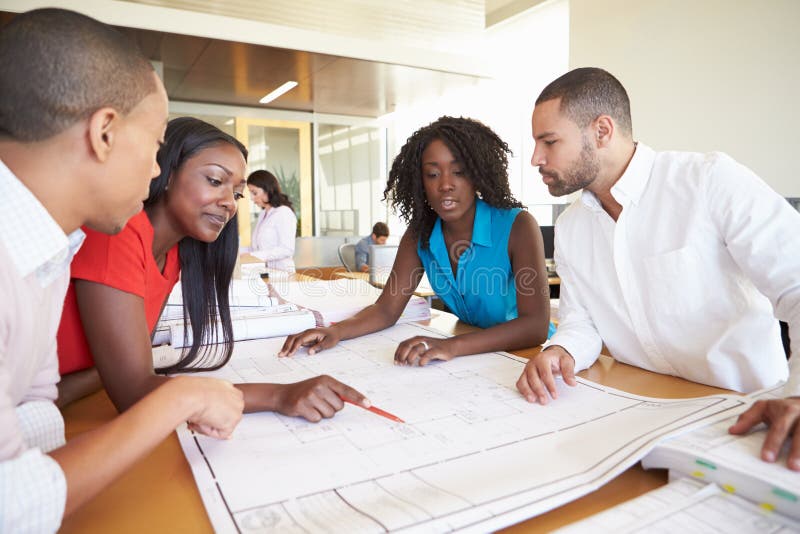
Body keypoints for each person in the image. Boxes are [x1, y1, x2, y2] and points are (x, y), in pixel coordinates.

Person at [0, 9, 244, 531]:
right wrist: (181, 396)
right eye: (156, 146)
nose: (156, 169)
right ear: (104, 133)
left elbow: (37, 413)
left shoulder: (48, 251)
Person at [516, 67, 800, 470]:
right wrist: (560, 349)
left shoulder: (708, 182)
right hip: (643, 418)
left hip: (750, 416)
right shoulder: (571, 226)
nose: (536, 158)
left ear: (601, 131)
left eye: (549, 142)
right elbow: (582, 323)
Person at [57, 117, 369, 423]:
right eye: (215, 181)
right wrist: (277, 396)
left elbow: (129, 373)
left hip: (73, 404)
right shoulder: (119, 233)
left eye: (236, 193)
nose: (230, 204)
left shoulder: (176, 252)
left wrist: (114, 374)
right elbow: (133, 392)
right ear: (164, 172)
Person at [280, 116, 552, 365]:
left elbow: (535, 326)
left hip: (529, 355)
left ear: (478, 175)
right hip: (475, 355)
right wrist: (335, 331)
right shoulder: (419, 233)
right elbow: (386, 309)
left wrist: (452, 346)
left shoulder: (517, 225)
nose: (445, 184)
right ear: (419, 182)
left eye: (458, 172)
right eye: (432, 174)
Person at [244, 169, 298, 272]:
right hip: (266, 272)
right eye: (250, 193)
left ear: (267, 189)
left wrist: (253, 255)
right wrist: (234, 252)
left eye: (254, 193)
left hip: (282, 273)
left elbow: (287, 249)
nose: (251, 198)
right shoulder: (263, 214)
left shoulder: (283, 213)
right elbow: (256, 249)